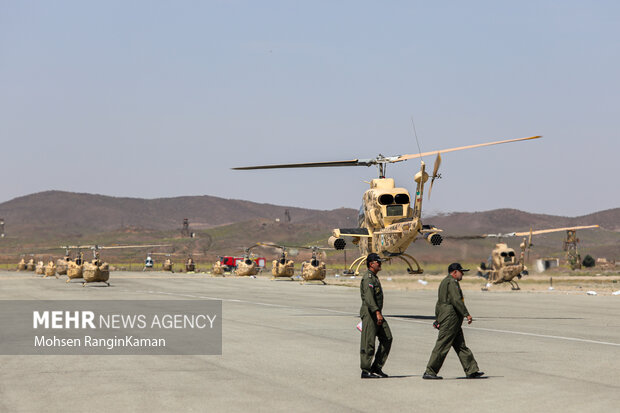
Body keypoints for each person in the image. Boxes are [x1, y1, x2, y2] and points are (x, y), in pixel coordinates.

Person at [423, 263, 484, 380]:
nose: (463, 274)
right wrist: (466, 314)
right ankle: (430, 371)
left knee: (461, 346)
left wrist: (438, 318)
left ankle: (472, 370)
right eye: (461, 272)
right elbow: (456, 300)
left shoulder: (445, 281)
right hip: (451, 318)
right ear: (455, 272)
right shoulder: (452, 282)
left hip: (450, 318)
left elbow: (439, 302)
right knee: (442, 345)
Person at [359, 253, 393, 378]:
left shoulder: (374, 277)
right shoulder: (368, 278)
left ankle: (377, 367)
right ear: (371, 263)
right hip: (370, 313)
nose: (380, 264)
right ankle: (366, 370)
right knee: (369, 342)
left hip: (377, 313)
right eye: (377, 262)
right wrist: (377, 312)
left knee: (387, 338)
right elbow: (369, 298)